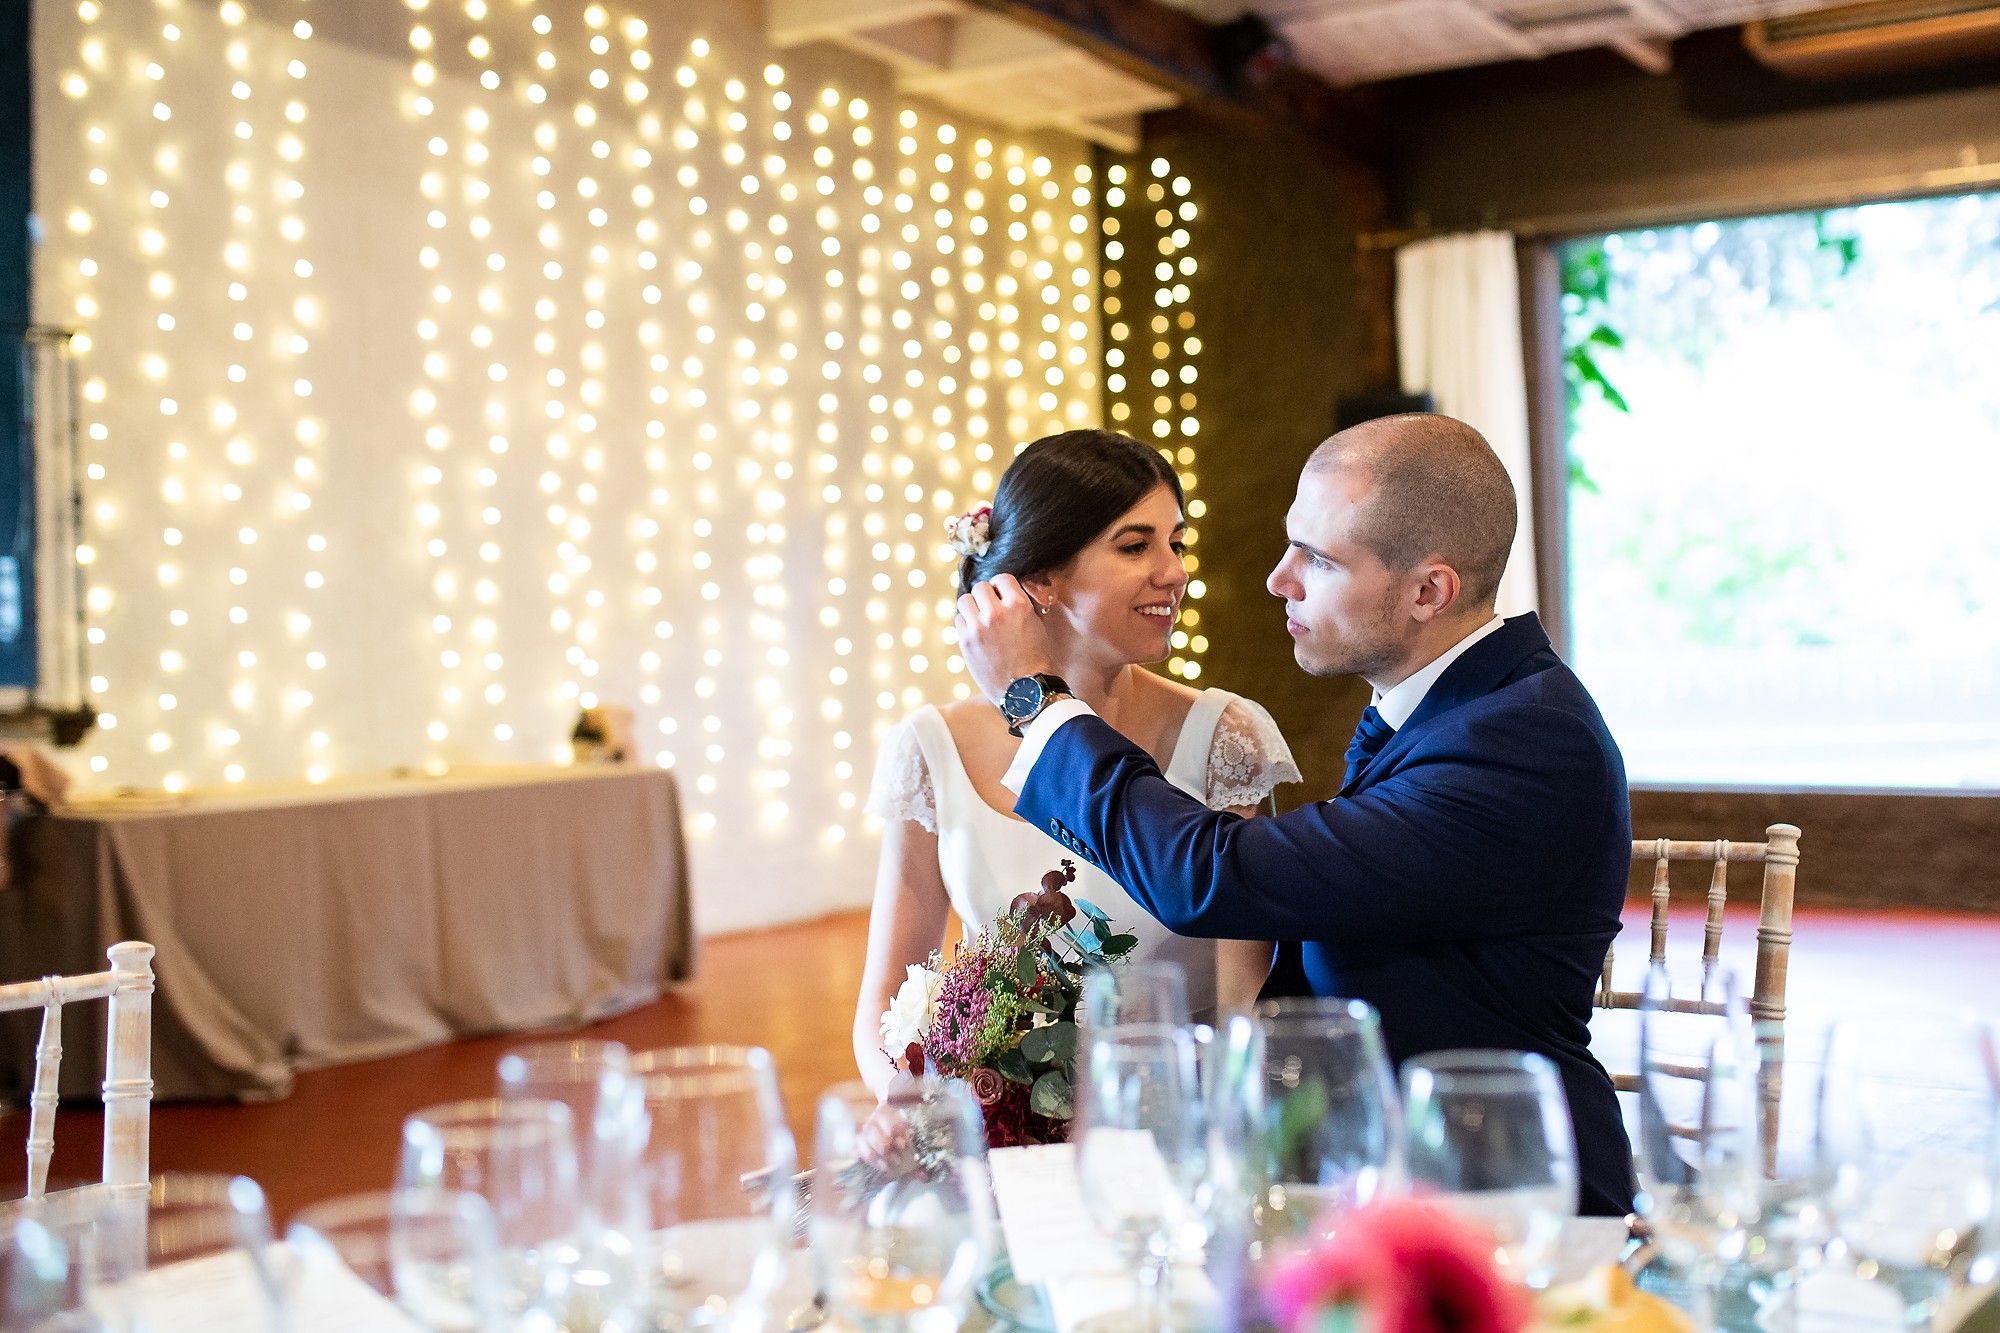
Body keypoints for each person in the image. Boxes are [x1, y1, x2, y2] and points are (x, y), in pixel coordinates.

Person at [953, 413, 1637, 1217]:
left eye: (1317, 557)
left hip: (1496, 1199)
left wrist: (1038, 704)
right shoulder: (1451, 708)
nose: (1279, 578)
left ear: (1429, 590)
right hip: (1370, 1170)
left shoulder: (1525, 741)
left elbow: (1214, 874)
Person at [853, 429, 1301, 1094]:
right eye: (1135, 545)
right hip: (1003, 1126)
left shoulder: (1224, 735)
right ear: (1042, 578)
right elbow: (887, 1003)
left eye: (1175, 542)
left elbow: (1247, 1011)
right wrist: (913, 1105)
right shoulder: (928, 747)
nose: (1174, 570)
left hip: (1176, 1118)